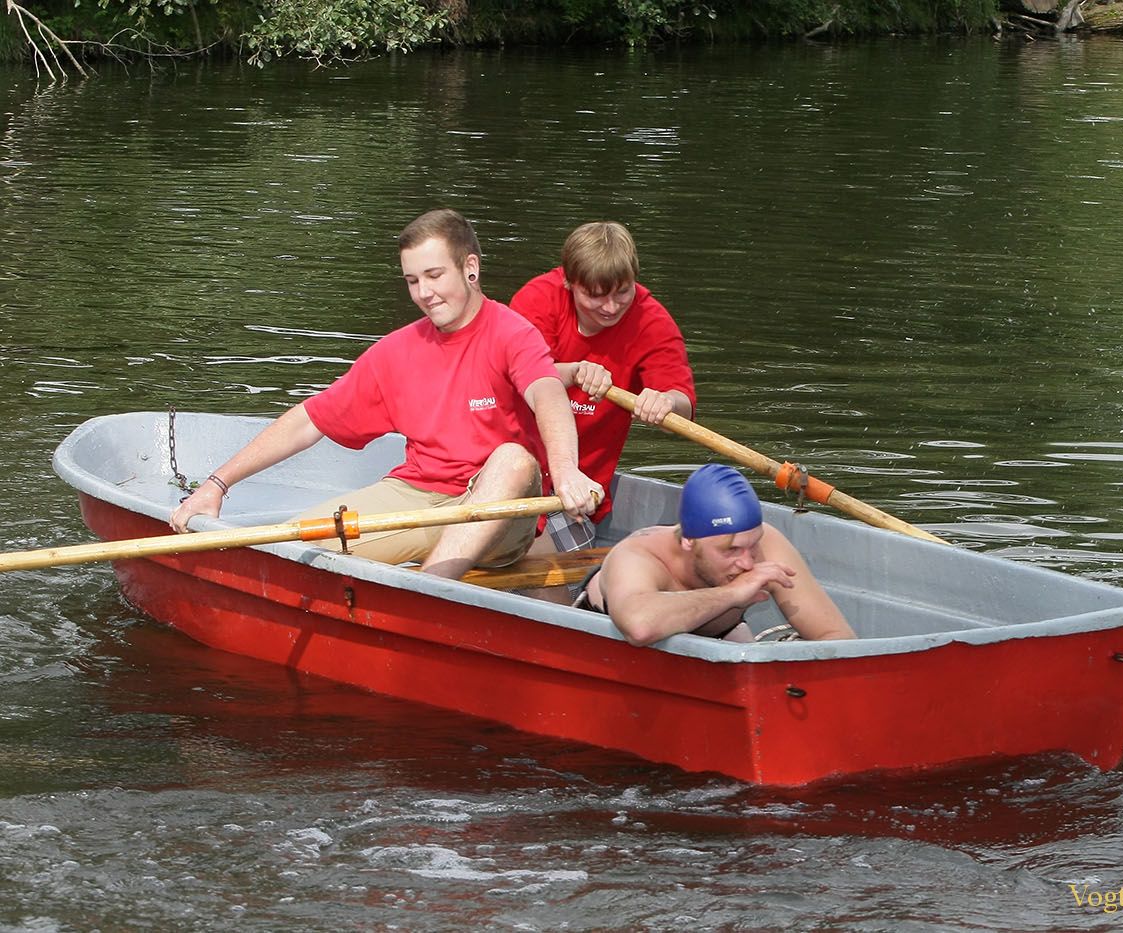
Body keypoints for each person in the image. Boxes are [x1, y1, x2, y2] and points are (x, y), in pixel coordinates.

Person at [169, 208, 602, 579]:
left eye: (434, 275)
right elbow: (308, 421)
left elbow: (547, 393)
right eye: (413, 280)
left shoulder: (512, 333)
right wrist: (217, 484)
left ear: (470, 268)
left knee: (513, 459)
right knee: (288, 548)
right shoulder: (396, 352)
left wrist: (565, 472)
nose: (424, 293)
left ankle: (428, 597)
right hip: (419, 498)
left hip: (499, 515)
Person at [509, 221, 696, 535]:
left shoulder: (652, 322)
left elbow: (683, 409)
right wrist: (573, 372)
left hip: (581, 492)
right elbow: (512, 377)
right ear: (569, 283)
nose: (611, 307)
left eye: (623, 292)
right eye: (595, 295)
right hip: (512, 470)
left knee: (542, 557)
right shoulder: (537, 300)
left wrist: (665, 402)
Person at [578, 464, 856, 647]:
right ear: (688, 540)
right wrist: (733, 593)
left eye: (752, 545)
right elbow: (640, 627)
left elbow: (836, 638)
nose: (747, 563)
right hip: (607, 647)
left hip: (718, 638)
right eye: (730, 550)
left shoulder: (767, 543)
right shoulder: (638, 555)